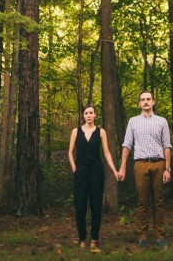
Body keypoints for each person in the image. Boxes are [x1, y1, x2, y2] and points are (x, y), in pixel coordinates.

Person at [117, 90, 172, 249]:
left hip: (159, 164)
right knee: (142, 202)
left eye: (148, 99)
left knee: (158, 201)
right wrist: (122, 168)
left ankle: (160, 236)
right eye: (143, 99)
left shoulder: (162, 121)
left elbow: (167, 145)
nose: (146, 102)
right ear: (139, 103)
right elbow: (127, 145)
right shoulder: (133, 122)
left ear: (153, 102)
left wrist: (167, 168)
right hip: (140, 164)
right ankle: (142, 236)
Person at [68, 105, 118, 252]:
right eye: (86, 113)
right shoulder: (75, 131)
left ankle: (94, 238)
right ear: (83, 115)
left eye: (91, 113)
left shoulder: (101, 132)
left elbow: (107, 153)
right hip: (81, 172)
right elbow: (70, 152)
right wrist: (73, 167)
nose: (89, 115)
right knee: (80, 205)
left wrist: (114, 170)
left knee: (96, 206)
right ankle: (82, 238)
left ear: (95, 115)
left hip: (96, 171)